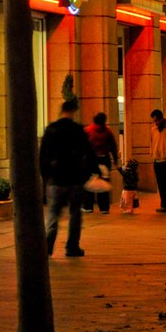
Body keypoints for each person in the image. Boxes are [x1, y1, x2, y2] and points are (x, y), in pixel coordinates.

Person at [40, 100, 95, 257]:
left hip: (55, 180)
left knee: (52, 213)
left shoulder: (51, 130)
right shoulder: (78, 130)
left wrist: (45, 176)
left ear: (61, 111)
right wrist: (88, 173)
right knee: (75, 213)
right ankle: (72, 247)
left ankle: (48, 246)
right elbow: (89, 153)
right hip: (75, 179)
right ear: (73, 111)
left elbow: (43, 155)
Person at [82, 112, 119, 214]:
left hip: (91, 160)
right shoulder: (107, 132)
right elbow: (113, 146)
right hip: (104, 159)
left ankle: (88, 206)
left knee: (89, 182)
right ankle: (104, 207)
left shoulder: (88, 130)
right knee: (104, 182)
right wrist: (115, 160)